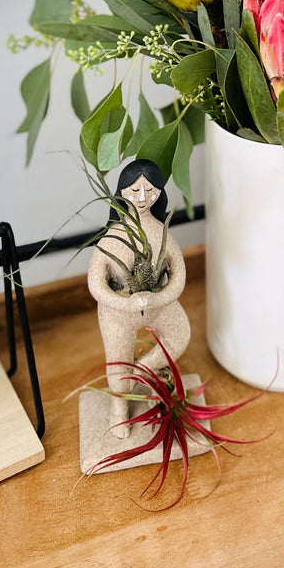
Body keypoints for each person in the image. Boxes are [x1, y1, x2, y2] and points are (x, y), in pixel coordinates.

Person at [87, 160, 190, 433]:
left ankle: (143, 372)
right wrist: (125, 302)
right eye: (134, 191)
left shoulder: (162, 233)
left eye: (150, 191)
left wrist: (158, 299)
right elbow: (96, 285)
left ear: (159, 193)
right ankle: (119, 408)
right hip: (118, 313)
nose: (143, 198)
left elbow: (178, 276)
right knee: (117, 359)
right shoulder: (112, 238)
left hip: (158, 304)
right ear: (122, 192)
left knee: (180, 336)